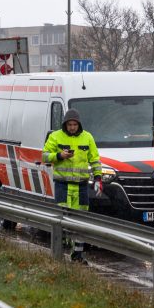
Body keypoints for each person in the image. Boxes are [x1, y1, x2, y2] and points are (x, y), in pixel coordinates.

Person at [42, 108, 103, 261]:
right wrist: (59, 155)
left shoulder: (87, 137)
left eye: (75, 124)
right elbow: (44, 156)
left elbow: (95, 159)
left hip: (81, 185)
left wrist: (98, 178)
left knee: (81, 219)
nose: (72, 127)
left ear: (79, 124)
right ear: (65, 124)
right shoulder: (55, 136)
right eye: (69, 124)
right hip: (63, 184)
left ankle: (78, 255)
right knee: (62, 218)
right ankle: (59, 254)